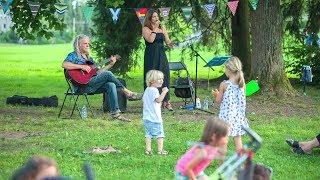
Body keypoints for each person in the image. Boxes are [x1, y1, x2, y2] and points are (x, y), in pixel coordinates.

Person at [62, 34, 142, 122]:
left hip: (90, 86)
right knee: (108, 74)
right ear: (78, 44)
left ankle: (115, 114)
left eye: (88, 43)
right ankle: (128, 93)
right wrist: (81, 67)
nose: (88, 45)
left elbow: (98, 73)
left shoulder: (89, 59)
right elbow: (64, 64)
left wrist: (110, 64)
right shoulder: (74, 56)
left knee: (110, 85)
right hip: (80, 87)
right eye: (85, 43)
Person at [211, 56, 249, 152]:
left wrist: (216, 94)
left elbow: (218, 100)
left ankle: (221, 163)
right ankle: (240, 163)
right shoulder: (242, 84)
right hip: (238, 117)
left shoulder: (224, 85)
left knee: (223, 140)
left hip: (226, 117)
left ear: (228, 70)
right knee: (237, 138)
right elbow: (241, 99)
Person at [142, 9, 174, 111]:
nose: (157, 18)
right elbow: (150, 40)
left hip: (161, 54)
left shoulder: (162, 27)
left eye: (157, 16)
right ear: (150, 18)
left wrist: (169, 41)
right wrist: (155, 30)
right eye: (154, 17)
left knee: (165, 75)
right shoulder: (146, 28)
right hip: (151, 55)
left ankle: (166, 101)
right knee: (152, 76)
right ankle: (151, 100)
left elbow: (168, 41)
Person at [142, 70, 169, 155]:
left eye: (162, 79)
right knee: (160, 134)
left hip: (146, 118)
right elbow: (158, 100)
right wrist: (164, 92)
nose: (162, 81)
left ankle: (148, 150)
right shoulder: (154, 90)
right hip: (155, 118)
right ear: (152, 81)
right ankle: (160, 151)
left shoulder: (147, 90)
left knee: (148, 134)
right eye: (159, 79)